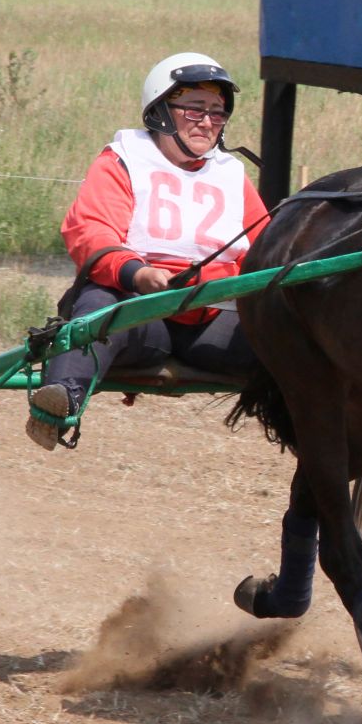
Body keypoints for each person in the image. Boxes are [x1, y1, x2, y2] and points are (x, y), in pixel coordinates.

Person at [27, 52, 270, 450]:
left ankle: (354, 418)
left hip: (213, 318)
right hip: (140, 310)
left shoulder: (231, 175)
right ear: (159, 111)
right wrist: (138, 274)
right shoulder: (122, 161)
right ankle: (59, 402)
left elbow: (266, 248)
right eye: (194, 110)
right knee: (101, 306)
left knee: (290, 330)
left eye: (217, 113)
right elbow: (91, 230)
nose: (207, 122)